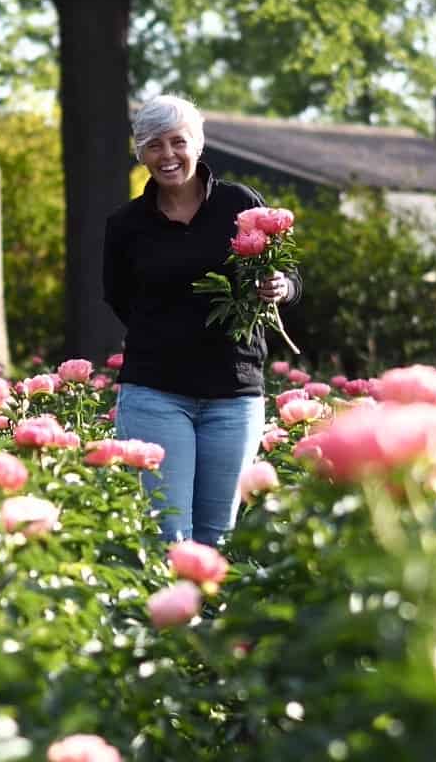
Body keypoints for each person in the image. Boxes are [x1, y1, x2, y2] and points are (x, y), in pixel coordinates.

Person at [103, 94, 302, 546]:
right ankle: (166, 616)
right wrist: (169, 333)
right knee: (167, 533)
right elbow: (116, 297)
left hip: (232, 394)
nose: (168, 155)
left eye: (178, 142)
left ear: (198, 143)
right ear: (140, 153)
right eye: (154, 145)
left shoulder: (241, 205)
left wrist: (280, 287)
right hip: (156, 394)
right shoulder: (127, 225)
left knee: (217, 539)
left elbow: (288, 274)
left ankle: (208, 618)